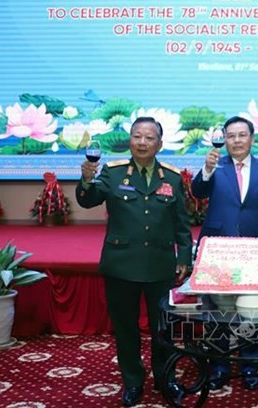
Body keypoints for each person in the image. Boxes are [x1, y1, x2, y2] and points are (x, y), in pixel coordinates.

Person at [76, 117, 192, 407]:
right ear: (130, 140)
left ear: (159, 144)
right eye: (137, 136)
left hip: (160, 265)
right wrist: (87, 180)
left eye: (149, 138)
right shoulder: (113, 173)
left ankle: (165, 378)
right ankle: (132, 381)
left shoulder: (172, 178)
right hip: (122, 265)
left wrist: (184, 257)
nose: (142, 142)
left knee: (162, 328)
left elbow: (182, 223)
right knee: (126, 328)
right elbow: (88, 200)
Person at [191, 116, 258, 391]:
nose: (237, 141)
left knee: (252, 308)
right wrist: (206, 170)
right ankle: (219, 365)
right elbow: (198, 191)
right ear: (225, 140)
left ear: (252, 139)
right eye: (231, 136)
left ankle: (250, 365)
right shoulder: (215, 167)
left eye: (242, 135)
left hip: (255, 250)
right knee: (218, 308)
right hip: (219, 247)